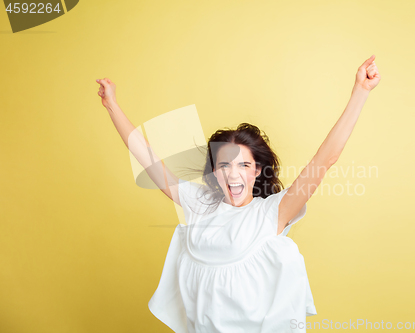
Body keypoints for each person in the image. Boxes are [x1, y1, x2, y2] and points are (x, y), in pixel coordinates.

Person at [96, 55, 381, 333]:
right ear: (214, 172)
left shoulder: (271, 213)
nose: (233, 175)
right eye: (224, 165)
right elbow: (149, 161)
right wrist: (112, 106)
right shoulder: (200, 204)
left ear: (257, 171)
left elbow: (325, 159)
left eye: (243, 165)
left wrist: (361, 91)